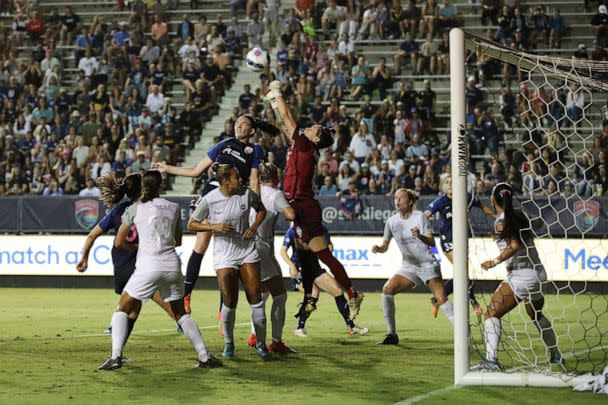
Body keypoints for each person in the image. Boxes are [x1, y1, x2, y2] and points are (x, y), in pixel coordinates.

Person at [98, 171, 222, 370]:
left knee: (122, 309)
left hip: (148, 265)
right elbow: (178, 241)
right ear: (160, 186)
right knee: (181, 313)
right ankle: (205, 356)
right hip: (172, 265)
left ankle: (115, 357)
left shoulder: (135, 209)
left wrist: (138, 248)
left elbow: (119, 242)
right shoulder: (173, 208)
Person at [155, 115, 278, 314]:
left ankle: (224, 310)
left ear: (252, 130)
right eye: (237, 123)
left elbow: (254, 179)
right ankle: (186, 296)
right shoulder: (224, 144)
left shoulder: (255, 150)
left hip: (235, 199)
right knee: (201, 245)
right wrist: (167, 168)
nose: (238, 126)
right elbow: (196, 170)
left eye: (244, 124)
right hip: (212, 194)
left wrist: (254, 206)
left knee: (230, 254)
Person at [266, 80, 364, 320]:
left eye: (313, 128)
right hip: (296, 205)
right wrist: (272, 103)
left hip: (303, 206)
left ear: (317, 139)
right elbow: (283, 124)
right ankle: (310, 298)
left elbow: (287, 118)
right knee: (304, 258)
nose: (309, 128)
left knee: (323, 257)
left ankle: (352, 294)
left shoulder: (305, 144)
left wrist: (277, 93)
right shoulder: (302, 144)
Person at [473, 183, 562, 371]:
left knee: (491, 313)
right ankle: (555, 355)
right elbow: (538, 223)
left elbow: (514, 245)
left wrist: (494, 261)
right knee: (535, 314)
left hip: (522, 275)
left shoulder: (502, 222)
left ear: (493, 199)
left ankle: (491, 360)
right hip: (539, 273)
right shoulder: (520, 215)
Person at [188, 163, 270, 360]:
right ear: (225, 181)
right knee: (229, 301)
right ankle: (229, 344)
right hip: (224, 255)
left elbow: (261, 210)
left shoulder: (246, 194)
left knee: (255, 299)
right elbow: (191, 224)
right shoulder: (210, 199)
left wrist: (254, 226)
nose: (239, 180)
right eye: (235, 177)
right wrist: (214, 226)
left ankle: (261, 344)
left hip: (247, 252)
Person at [76, 173, 174, 333]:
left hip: (121, 261)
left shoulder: (118, 211)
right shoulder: (148, 209)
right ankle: (182, 321)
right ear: (142, 189)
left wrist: (84, 258)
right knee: (158, 296)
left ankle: (116, 330)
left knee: (135, 304)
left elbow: (92, 235)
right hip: (137, 260)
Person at [372, 188, 454, 345]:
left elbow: (432, 242)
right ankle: (392, 335)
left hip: (427, 264)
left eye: (401, 197)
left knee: (441, 299)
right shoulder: (392, 221)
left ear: (410, 202)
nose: (397, 200)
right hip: (409, 266)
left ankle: (464, 334)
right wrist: (378, 249)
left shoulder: (420, 217)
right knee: (387, 290)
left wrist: (420, 236)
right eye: (396, 198)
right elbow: (385, 246)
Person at [424, 175, 496, 318]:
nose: (450, 185)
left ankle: (437, 299)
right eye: (447, 182)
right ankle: (474, 303)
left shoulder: (466, 197)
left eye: (452, 182)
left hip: (462, 240)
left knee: (462, 274)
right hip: (448, 240)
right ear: (444, 185)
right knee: (462, 272)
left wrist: (497, 216)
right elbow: (425, 214)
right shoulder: (441, 201)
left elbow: (482, 207)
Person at [280, 225, 369, 337]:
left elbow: (329, 245)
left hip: (315, 268)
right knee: (313, 294)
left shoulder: (320, 229)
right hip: (300, 269)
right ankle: (299, 328)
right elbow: (283, 251)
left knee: (337, 291)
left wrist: (327, 250)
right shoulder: (293, 231)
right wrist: (292, 266)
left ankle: (351, 327)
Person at [245, 162, 297, 354]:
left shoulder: (248, 191)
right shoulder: (275, 194)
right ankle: (275, 342)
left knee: (262, 292)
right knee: (280, 295)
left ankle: (252, 335)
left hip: (244, 247)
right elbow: (290, 215)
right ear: (276, 178)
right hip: (261, 249)